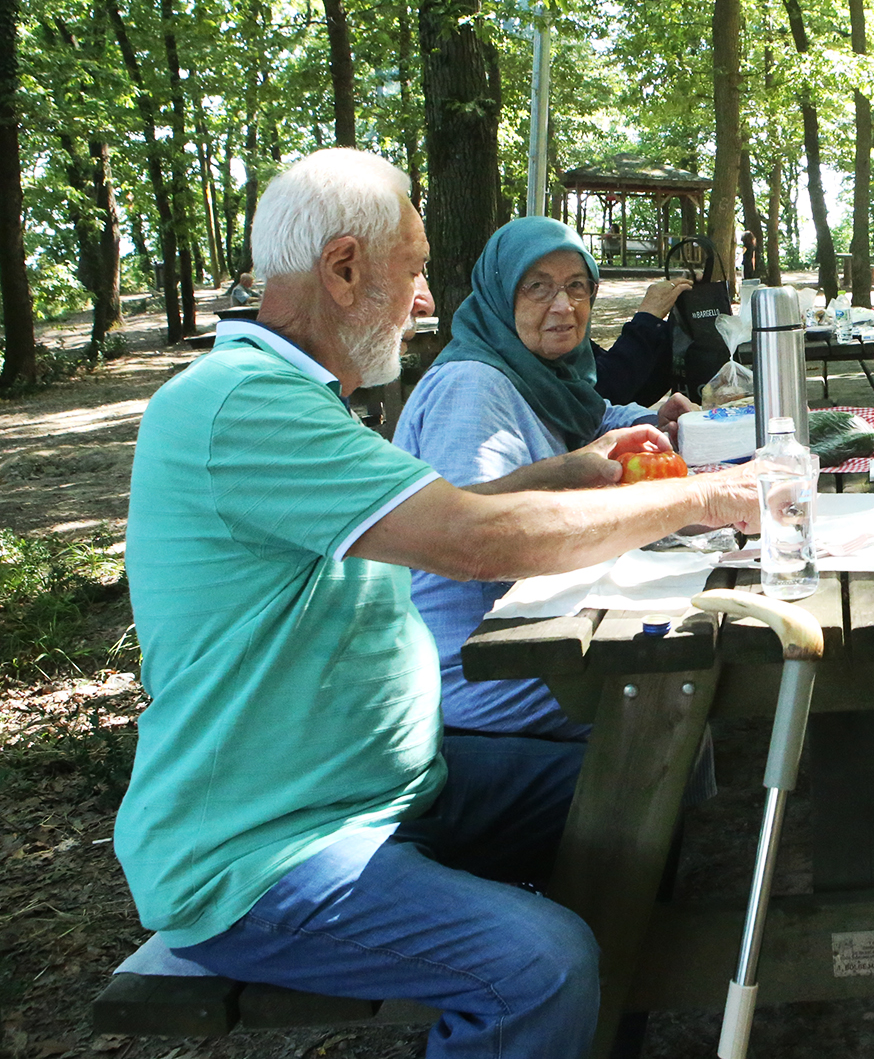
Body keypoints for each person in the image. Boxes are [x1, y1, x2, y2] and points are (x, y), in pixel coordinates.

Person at [116, 149, 758, 1059]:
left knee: (655, 768)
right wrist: (704, 498)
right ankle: (547, 1004)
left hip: (397, 786)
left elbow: (449, 512)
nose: (427, 300)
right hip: (263, 849)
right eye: (415, 269)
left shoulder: (306, 401)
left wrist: (574, 470)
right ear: (343, 269)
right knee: (539, 965)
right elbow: (467, 542)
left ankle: (598, 1031)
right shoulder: (239, 406)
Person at [393, 217, 697, 737]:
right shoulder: (473, 385)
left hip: (534, 627)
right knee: (668, 686)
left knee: (679, 655)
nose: (564, 306)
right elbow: (471, 527)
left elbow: (594, 418)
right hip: (472, 663)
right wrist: (573, 477)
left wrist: (653, 419)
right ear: (499, 294)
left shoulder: (542, 371)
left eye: (577, 286)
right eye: (537, 287)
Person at [592, 274, 691, 407]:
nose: (564, 306)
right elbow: (605, 394)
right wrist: (647, 318)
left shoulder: (579, 351)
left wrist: (687, 312)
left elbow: (636, 388)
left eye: (576, 285)